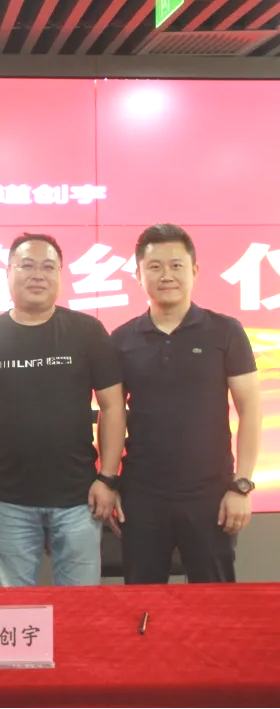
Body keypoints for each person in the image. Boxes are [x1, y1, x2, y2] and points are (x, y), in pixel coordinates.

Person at [0, 232, 125, 588]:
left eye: (48, 267)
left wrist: (107, 477)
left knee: (80, 608)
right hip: (8, 501)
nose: (38, 275)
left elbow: (112, 407)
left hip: (79, 499)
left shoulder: (87, 332)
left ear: (60, 275)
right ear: (8, 272)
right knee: (14, 610)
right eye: (27, 266)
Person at [111, 223, 261, 584]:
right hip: (142, 495)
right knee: (142, 602)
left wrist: (241, 485)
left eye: (176, 265)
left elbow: (250, 410)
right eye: (154, 266)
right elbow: (112, 415)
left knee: (215, 601)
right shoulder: (121, 339)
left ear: (194, 270)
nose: (166, 275)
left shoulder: (225, 331)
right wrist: (111, 481)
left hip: (211, 494)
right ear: (138, 275)